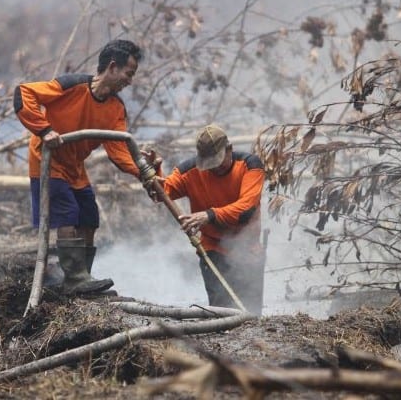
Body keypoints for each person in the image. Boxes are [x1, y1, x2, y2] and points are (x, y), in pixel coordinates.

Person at [14, 39, 153, 295]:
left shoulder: (115, 108)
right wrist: (44, 130)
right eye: (129, 73)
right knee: (67, 212)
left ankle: (81, 279)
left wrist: (144, 171)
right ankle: (75, 279)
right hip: (48, 160)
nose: (130, 81)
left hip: (74, 167)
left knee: (89, 214)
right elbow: (23, 93)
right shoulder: (69, 86)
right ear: (112, 67)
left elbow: (119, 149)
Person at [161, 124, 266, 314]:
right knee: (220, 312)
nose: (215, 168)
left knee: (251, 314)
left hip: (248, 250)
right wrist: (153, 173)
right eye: (209, 164)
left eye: (217, 161)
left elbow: (246, 210)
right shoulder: (188, 171)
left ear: (229, 149)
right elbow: (162, 191)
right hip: (213, 249)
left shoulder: (251, 166)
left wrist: (209, 215)